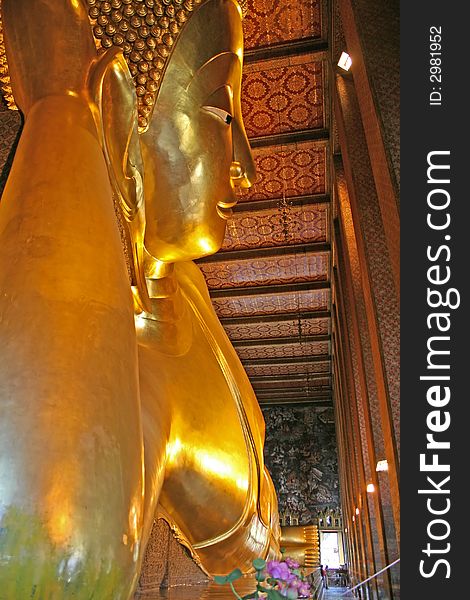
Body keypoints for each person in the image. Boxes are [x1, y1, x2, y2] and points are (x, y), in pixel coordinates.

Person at [0, 1, 280, 598]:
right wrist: (61, 108)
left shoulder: (187, 287)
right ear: (123, 118)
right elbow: (49, 559)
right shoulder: (124, 374)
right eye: (220, 114)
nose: (247, 169)